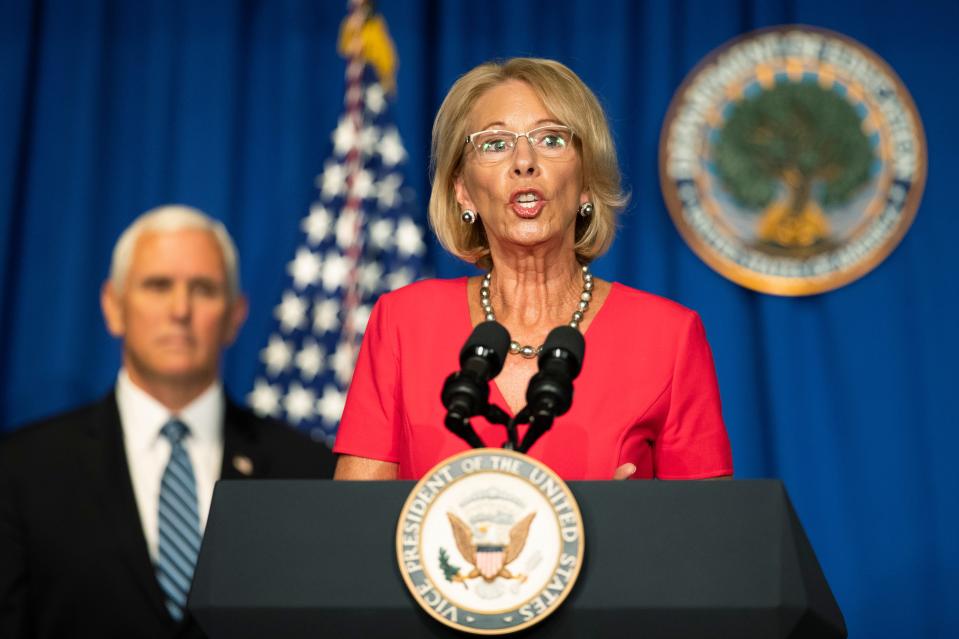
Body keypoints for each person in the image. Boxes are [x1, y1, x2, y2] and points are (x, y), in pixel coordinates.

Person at [333, 58, 733, 481]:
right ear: (463, 191)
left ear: (585, 182)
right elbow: (354, 530)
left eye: (551, 139)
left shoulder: (668, 338)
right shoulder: (404, 323)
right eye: (495, 143)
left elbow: (707, 534)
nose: (524, 161)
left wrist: (626, 526)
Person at [0, 205, 336, 639]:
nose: (180, 310)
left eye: (203, 289)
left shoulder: (308, 473)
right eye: (158, 286)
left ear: (235, 315)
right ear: (113, 306)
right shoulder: (21, 472)